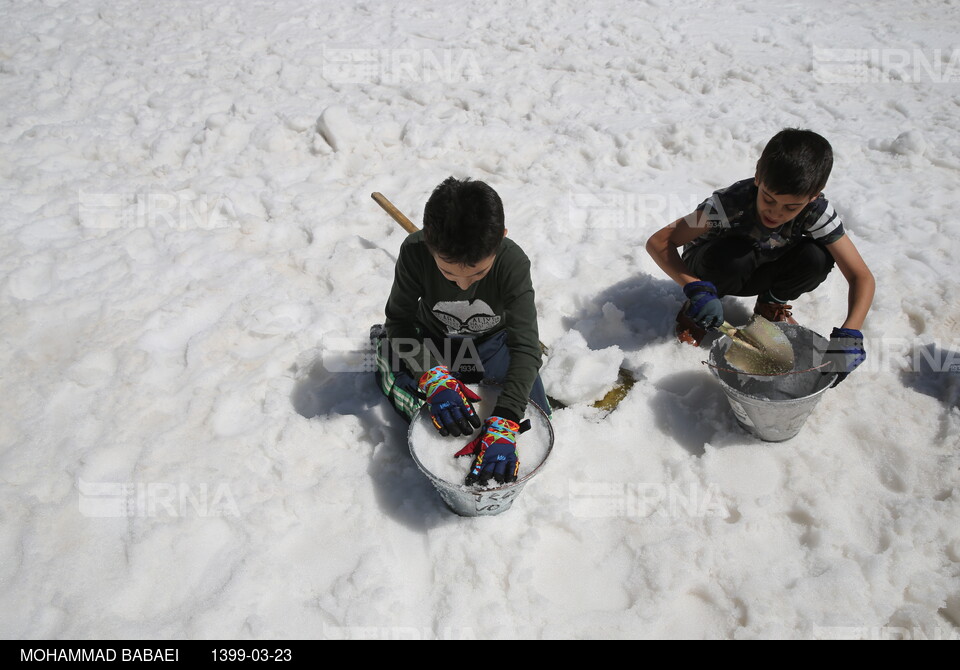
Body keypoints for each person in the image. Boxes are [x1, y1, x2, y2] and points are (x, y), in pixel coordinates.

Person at [645, 128, 875, 384]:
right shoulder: (729, 204)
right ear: (758, 177)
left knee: (817, 256)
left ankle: (770, 304)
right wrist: (694, 287)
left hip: (764, 263)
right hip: (714, 267)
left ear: (814, 195)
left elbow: (860, 276)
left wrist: (850, 332)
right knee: (734, 257)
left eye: (791, 207)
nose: (775, 213)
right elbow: (660, 241)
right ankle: (698, 310)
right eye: (768, 198)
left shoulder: (816, 212)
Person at [373, 177, 549, 485]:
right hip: (434, 341)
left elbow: (525, 347)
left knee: (533, 416)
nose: (464, 284)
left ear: (502, 239)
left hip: (492, 342)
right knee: (419, 406)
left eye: (479, 273)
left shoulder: (512, 262)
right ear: (430, 243)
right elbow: (399, 321)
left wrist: (506, 418)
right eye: (448, 273)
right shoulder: (416, 251)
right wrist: (431, 374)